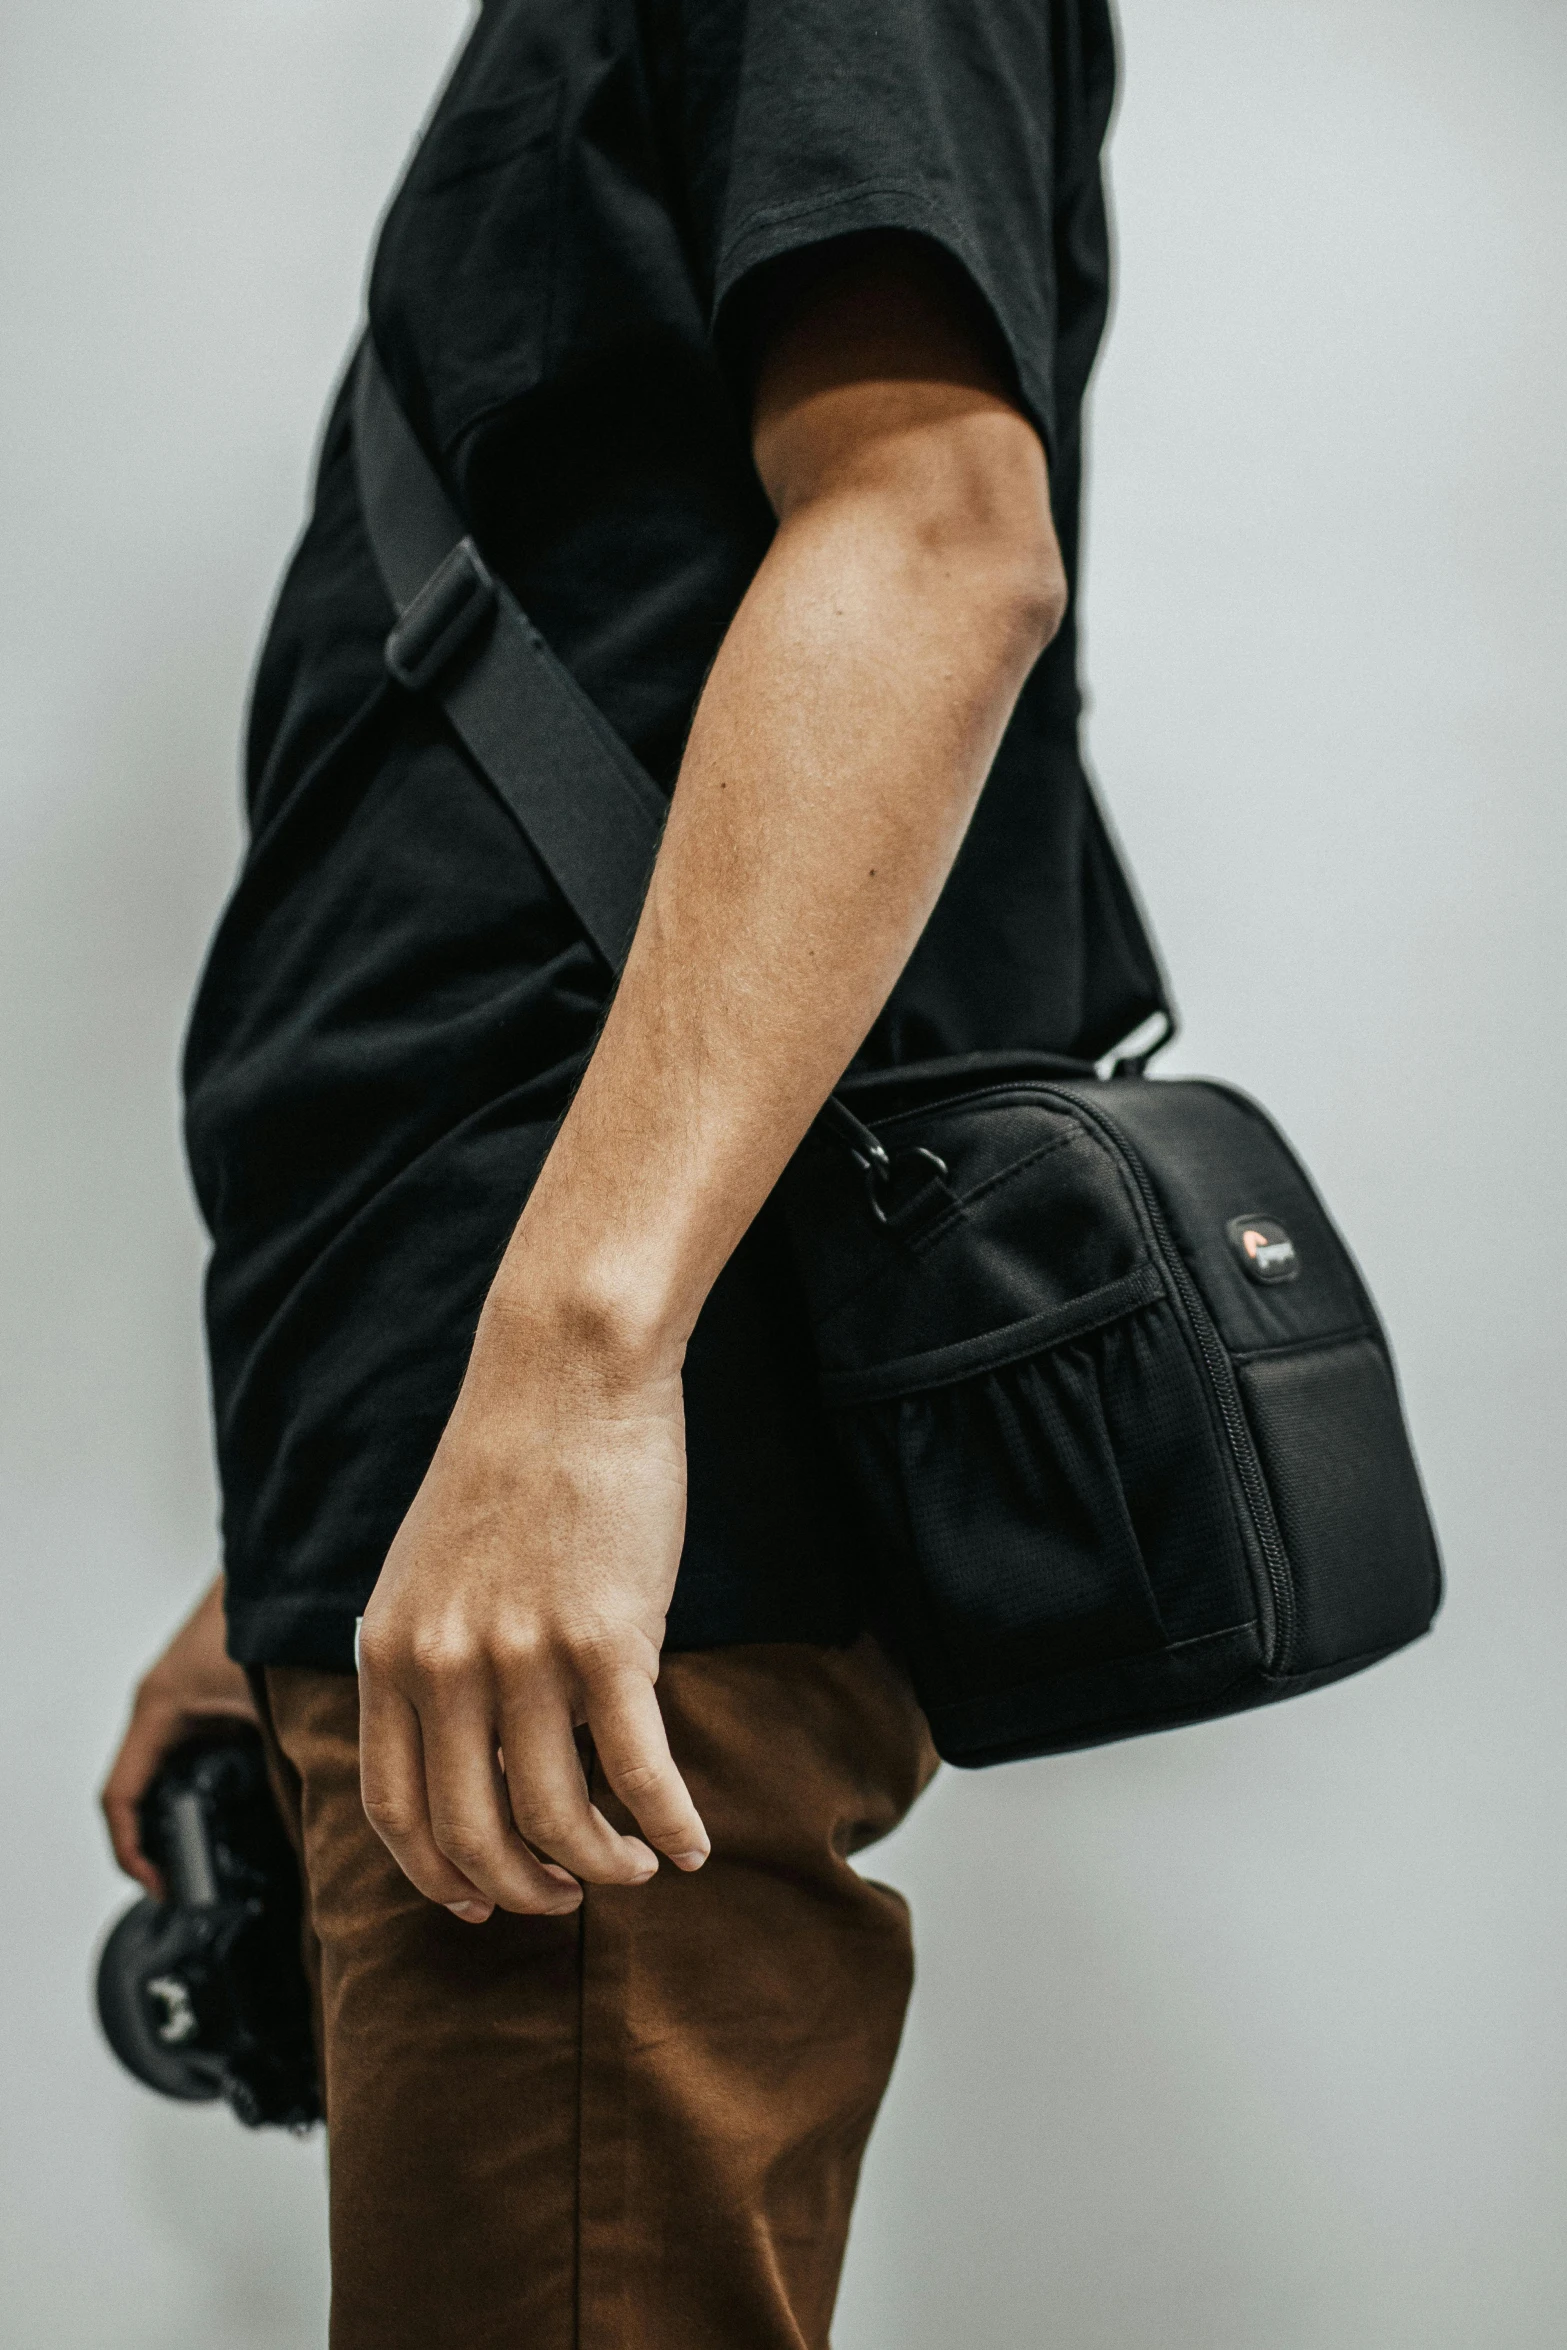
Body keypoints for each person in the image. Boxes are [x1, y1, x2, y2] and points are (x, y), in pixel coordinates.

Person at [102, 1, 1165, 2341]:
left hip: (623, 1506)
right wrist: (306, 1534)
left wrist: (578, 1366)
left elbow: (934, 539)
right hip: (445, 1466)